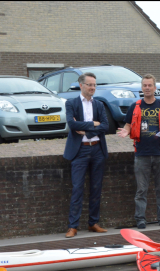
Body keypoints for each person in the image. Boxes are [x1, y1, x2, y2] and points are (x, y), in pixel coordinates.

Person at [117, 74, 160, 229]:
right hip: (142, 153)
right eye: (145, 85)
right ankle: (140, 220)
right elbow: (128, 124)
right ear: (141, 88)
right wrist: (125, 131)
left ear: (155, 88)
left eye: (150, 85)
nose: (147, 88)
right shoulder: (135, 106)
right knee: (141, 189)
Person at [63, 72, 110, 238]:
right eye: (90, 85)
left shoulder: (99, 105)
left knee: (96, 188)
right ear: (81, 85)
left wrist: (87, 129)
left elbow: (105, 125)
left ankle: (93, 223)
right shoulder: (71, 103)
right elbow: (72, 123)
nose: (93, 88)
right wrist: (93, 124)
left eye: (95, 85)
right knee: (77, 188)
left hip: (97, 149)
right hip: (80, 150)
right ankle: (72, 226)